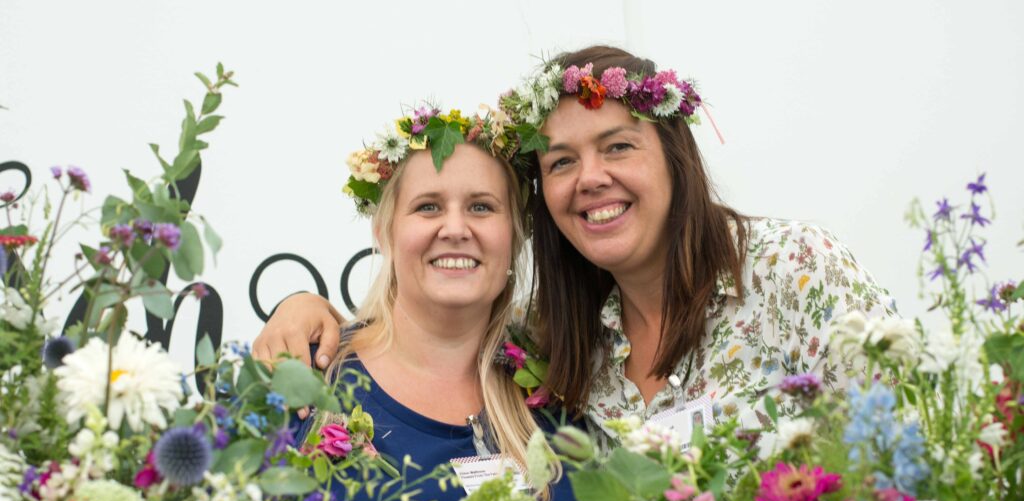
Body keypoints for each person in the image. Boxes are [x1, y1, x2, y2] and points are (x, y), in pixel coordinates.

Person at [254, 45, 894, 439]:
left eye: (617, 146)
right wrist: (303, 307)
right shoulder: (557, 343)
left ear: (675, 158)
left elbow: (919, 451)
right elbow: (422, 336)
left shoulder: (794, 271)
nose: (591, 179)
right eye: (561, 162)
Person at [287, 104, 592, 501]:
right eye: (428, 206)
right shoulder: (311, 379)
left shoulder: (564, 390)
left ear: (514, 234)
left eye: (482, 206)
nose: (456, 227)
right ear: (384, 229)